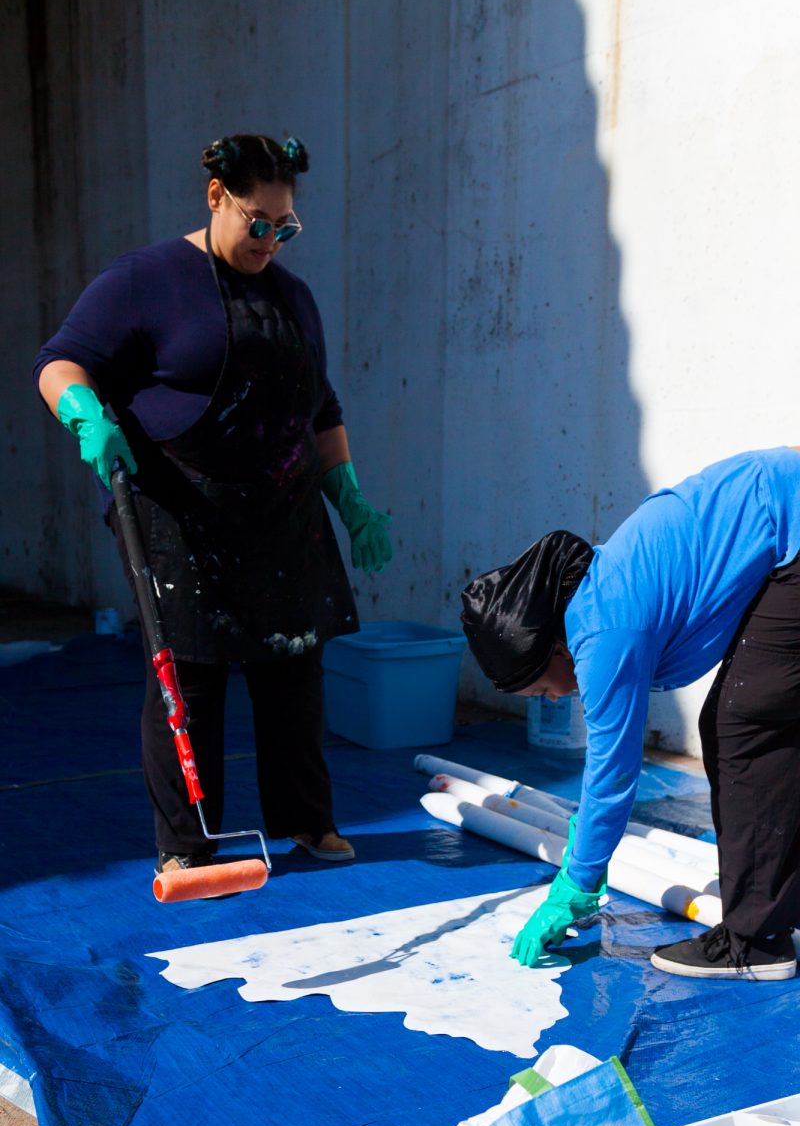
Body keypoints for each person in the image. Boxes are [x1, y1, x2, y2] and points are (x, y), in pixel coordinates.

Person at [34, 133, 392, 877]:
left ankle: (306, 822)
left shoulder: (293, 296)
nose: (269, 240)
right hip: (180, 511)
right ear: (215, 197)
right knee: (188, 681)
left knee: (293, 673)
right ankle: (189, 845)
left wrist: (349, 496)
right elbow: (60, 360)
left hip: (284, 512)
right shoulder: (147, 279)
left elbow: (319, 406)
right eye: (257, 223)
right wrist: (85, 415)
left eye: (284, 227)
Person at [461, 447, 800, 981]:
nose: (553, 699)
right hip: (784, 521)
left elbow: (612, 774)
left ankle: (756, 942)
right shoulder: (596, 596)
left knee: (745, 725)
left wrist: (577, 884)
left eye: (541, 689)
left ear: (554, 650)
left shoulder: (602, 634)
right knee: (751, 717)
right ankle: (770, 901)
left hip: (792, 526)